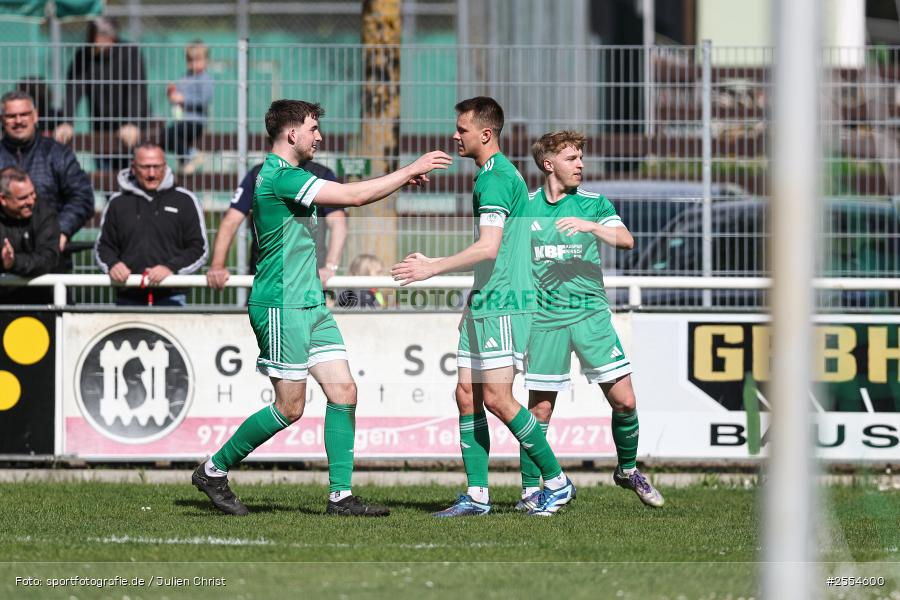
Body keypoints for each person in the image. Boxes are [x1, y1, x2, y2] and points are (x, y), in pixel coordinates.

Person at [191, 99, 451, 517]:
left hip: (311, 302)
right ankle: (213, 470)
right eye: (313, 128)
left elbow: (351, 197)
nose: (320, 136)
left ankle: (340, 497)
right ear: (292, 134)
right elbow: (353, 195)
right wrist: (408, 169)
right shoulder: (280, 177)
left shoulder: (291, 175)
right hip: (282, 304)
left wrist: (402, 179)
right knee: (290, 407)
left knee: (344, 391)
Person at [390, 97, 575, 517]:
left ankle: (557, 482)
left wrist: (432, 267)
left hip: (503, 304)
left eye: (462, 129)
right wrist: (474, 297)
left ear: (485, 134)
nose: (455, 136)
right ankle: (477, 495)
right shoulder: (495, 175)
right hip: (487, 300)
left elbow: (489, 246)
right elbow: (506, 249)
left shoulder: (495, 179)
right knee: (467, 395)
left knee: (496, 396)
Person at [516, 131, 664, 511]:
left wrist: (591, 228)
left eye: (581, 157)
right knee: (540, 411)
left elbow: (626, 240)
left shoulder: (594, 204)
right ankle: (532, 491)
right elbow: (508, 259)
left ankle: (627, 470)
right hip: (545, 320)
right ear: (549, 164)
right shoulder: (525, 207)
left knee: (625, 401)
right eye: (571, 158)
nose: (580, 164)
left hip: (591, 315)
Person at [94, 143, 208, 306]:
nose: (152, 174)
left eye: (157, 167)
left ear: (165, 166)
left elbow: (199, 249)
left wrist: (170, 268)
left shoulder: (185, 200)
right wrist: (113, 265)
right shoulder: (118, 203)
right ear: (133, 168)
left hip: (172, 297)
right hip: (128, 296)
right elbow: (103, 247)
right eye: (145, 167)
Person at [206, 160, 347, 291]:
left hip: (309, 281)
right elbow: (231, 221)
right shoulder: (259, 175)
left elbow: (338, 223)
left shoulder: (321, 174)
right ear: (291, 134)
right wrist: (217, 265)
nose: (318, 138)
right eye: (312, 131)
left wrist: (329, 267)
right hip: (267, 281)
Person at [0, 91, 94, 256]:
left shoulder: (57, 154)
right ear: (2, 119)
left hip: (51, 256)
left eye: (24, 114)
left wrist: (60, 231)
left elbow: (83, 197)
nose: (18, 121)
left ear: (35, 116)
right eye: (11, 116)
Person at [55, 16, 148, 172]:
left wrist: (133, 122)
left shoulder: (129, 52)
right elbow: (74, 90)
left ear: (113, 36)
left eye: (106, 35)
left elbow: (137, 90)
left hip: (130, 129)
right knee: (105, 177)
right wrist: (66, 121)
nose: (101, 40)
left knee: (132, 176)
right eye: (97, 36)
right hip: (101, 126)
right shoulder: (84, 56)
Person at [0, 167, 60, 304]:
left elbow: (48, 259)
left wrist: (14, 262)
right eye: (23, 198)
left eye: (32, 193)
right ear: (3, 199)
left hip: (44, 301)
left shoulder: (45, 213)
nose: (31, 201)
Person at [163, 41, 214, 172]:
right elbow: (177, 99)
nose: (193, 64)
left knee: (171, 133)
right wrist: (172, 94)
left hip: (196, 122)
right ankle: (186, 161)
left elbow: (203, 100)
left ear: (206, 61)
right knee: (166, 136)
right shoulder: (184, 77)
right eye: (190, 60)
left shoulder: (205, 79)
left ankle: (191, 155)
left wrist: (184, 99)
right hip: (182, 120)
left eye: (197, 60)